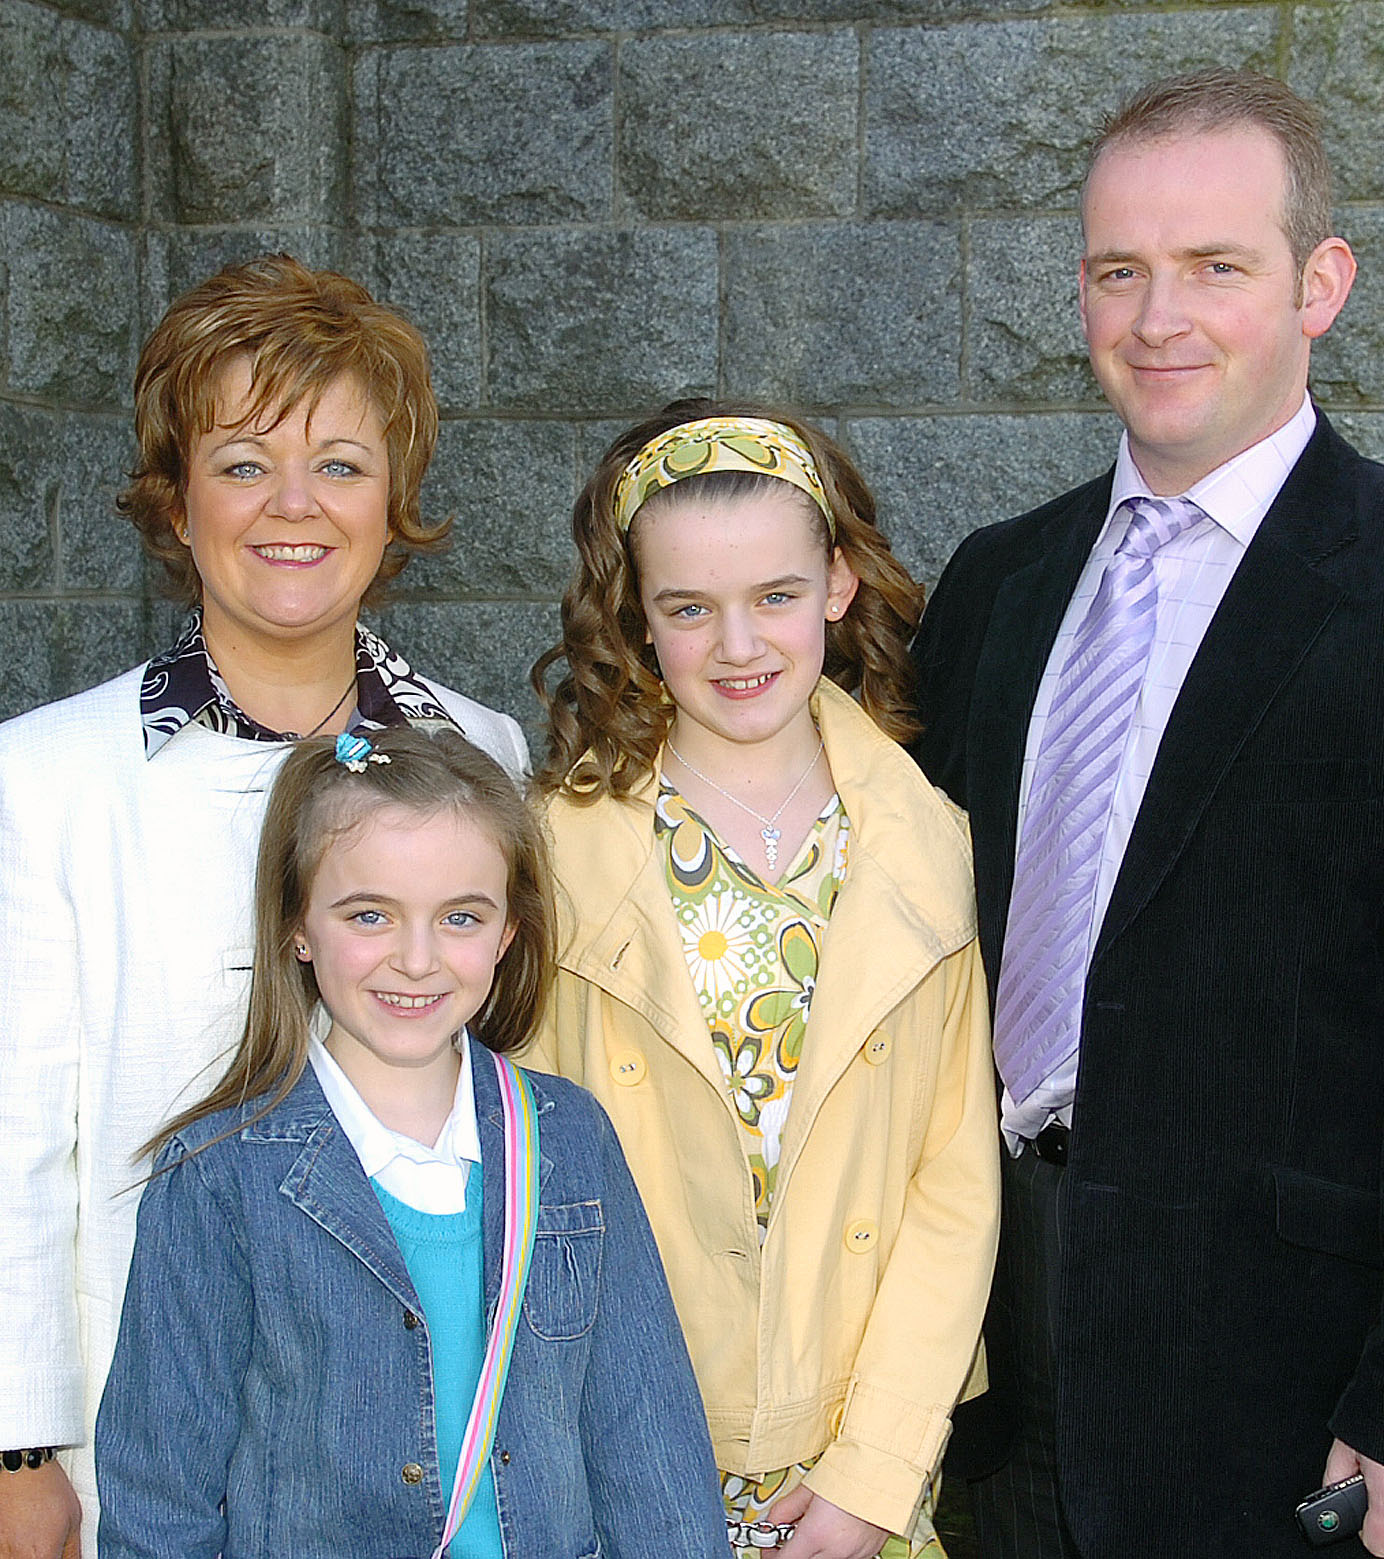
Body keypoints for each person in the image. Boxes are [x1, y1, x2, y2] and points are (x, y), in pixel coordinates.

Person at [913, 68, 1384, 1559]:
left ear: (1320, 284)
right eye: (1120, 270)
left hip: (1292, 1392)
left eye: (1215, 266)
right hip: (991, 1362)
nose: (1158, 316)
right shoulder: (996, 583)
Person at [0, 254, 527, 1558]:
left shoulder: (488, 756)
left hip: (437, 1433)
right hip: (154, 1444)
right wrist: (17, 1446)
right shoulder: (43, 779)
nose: (295, 505)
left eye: (340, 464)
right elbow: (11, 1146)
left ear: (393, 500)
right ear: (177, 499)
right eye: (243, 462)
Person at [530, 400, 1001, 1559]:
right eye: (690, 607)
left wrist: (875, 1472)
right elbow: (526, 1182)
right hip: (623, 1442)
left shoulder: (926, 841)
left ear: (838, 583)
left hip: (852, 1459)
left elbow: (952, 1183)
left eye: (775, 596)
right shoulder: (554, 850)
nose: (738, 644)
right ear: (637, 618)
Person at [94, 726, 730, 1558]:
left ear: (508, 932)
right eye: (370, 914)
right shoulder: (218, 1175)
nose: (417, 959)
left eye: (461, 916)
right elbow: (160, 1501)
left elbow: (652, 1448)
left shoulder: (571, 1139)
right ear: (297, 925)